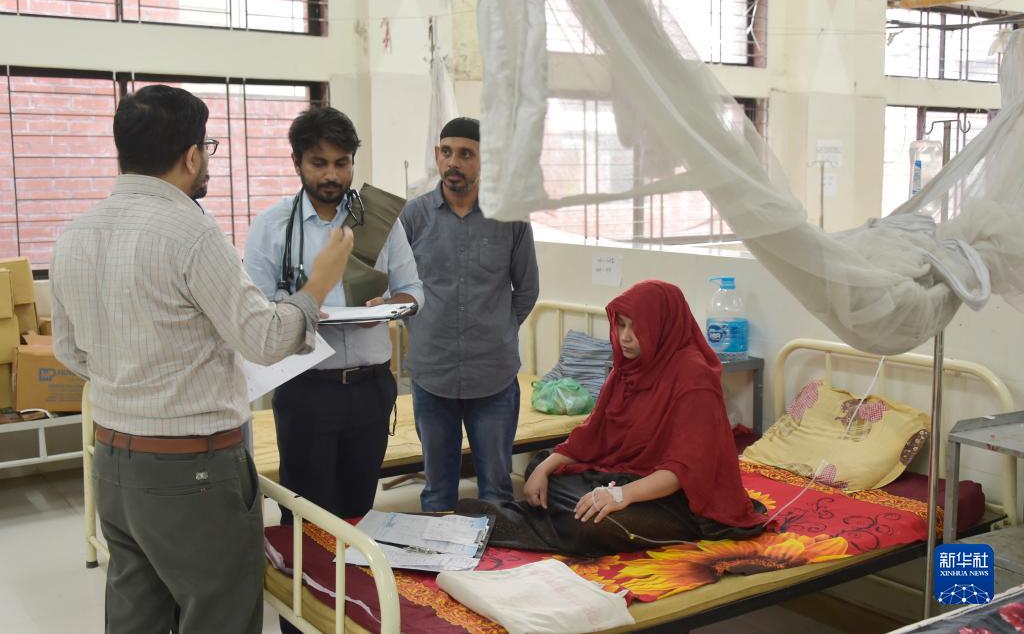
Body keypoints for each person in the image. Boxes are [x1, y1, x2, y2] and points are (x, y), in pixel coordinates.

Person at [50, 85, 353, 633]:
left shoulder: (74, 234)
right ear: (191, 155)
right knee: (219, 613)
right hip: (193, 471)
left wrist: (134, 382)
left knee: (135, 614)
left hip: (115, 460)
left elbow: (69, 350)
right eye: (207, 148)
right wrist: (316, 288)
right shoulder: (191, 232)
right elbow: (263, 340)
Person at [457, 280, 766, 556]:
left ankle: (512, 522)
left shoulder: (694, 378)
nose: (625, 337)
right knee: (543, 469)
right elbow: (593, 435)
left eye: (636, 328)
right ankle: (541, 517)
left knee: (596, 526)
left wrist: (621, 495)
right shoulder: (628, 370)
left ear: (661, 327)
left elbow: (683, 470)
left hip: (681, 499)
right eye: (621, 325)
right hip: (629, 476)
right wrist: (545, 468)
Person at [245, 107, 423, 524]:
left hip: (370, 389)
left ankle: (353, 569)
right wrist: (301, 306)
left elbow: (414, 291)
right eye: (319, 163)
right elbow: (256, 310)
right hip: (306, 388)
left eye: (342, 163)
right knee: (306, 516)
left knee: (359, 513)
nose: (332, 175)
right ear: (297, 162)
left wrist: (388, 307)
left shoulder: (378, 222)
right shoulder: (272, 227)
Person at [400, 117, 540, 512]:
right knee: (437, 493)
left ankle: (497, 554)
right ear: (437, 155)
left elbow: (527, 289)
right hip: (433, 374)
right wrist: (423, 327)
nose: (453, 162)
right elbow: (398, 285)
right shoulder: (413, 216)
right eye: (447, 152)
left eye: (465, 154)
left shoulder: (510, 218)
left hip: (493, 377)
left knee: (497, 491)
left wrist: (499, 328)